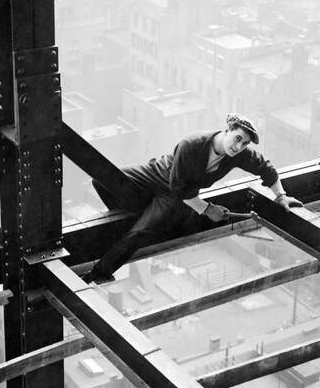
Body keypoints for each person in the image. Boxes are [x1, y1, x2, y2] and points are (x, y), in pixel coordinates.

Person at [84, 113, 303, 284]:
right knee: (100, 179)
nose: (239, 147)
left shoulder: (237, 155)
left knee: (140, 233)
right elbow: (178, 185)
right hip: (158, 173)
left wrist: (281, 196)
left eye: (245, 143)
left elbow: (266, 168)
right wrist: (207, 209)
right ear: (227, 130)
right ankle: (138, 210)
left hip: (175, 196)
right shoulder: (192, 144)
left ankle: (100, 272)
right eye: (237, 138)